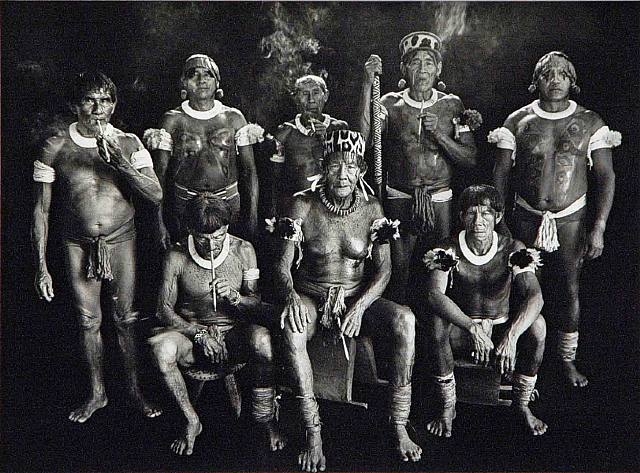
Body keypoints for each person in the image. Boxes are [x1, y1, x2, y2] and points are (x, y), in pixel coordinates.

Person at [273, 130, 422, 472]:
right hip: (312, 294)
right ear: (323, 167)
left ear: (361, 171)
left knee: (406, 320)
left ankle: (399, 424)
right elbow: (281, 265)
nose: (343, 174)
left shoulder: (372, 209)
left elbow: (384, 270)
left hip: (357, 297)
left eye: (351, 166)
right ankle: (313, 431)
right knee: (293, 331)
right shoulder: (302, 205)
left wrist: (361, 306)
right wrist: (291, 296)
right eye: (336, 165)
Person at [32, 71, 163, 423]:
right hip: (77, 243)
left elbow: (154, 195)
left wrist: (120, 162)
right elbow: (42, 210)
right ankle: (97, 394)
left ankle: (135, 391)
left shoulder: (130, 142)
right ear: (76, 105)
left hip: (121, 240)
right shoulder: (56, 146)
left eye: (105, 100)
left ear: (114, 105)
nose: (97, 108)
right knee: (88, 321)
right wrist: (42, 267)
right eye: (89, 100)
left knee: (125, 319)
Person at [491, 51, 619, 387]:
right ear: (537, 81)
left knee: (568, 288)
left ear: (572, 81)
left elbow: (606, 176)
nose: (555, 80)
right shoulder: (517, 121)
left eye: (563, 74)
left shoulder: (590, 122)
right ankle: (513, 356)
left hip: (570, 220)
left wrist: (599, 227)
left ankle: (566, 360)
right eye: (548, 74)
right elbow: (500, 175)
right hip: (524, 217)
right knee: (519, 287)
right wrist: (498, 223)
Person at [148, 195, 285, 455]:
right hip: (192, 336)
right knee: (161, 350)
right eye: (203, 238)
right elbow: (163, 310)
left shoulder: (244, 251)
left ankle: (265, 419)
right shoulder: (176, 255)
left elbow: (255, 302)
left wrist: (236, 298)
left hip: (234, 335)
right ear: (190, 229)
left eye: (219, 236)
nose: (211, 245)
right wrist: (200, 334)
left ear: (227, 228)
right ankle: (191, 420)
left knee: (263, 341)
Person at [414, 185, 547, 438]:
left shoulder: (512, 248)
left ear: (498, 217)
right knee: (437, 323)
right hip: (464, 333)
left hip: (500, 334)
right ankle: (448, 406)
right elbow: (434, 295)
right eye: (471, 213)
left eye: (486, 213)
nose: (478, 221)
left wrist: (511, 337)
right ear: (461, 216)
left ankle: (522, 404)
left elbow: (535, 296)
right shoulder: (448, 248)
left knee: (538, 325)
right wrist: (472, 328)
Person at [358, 31, 478, 303]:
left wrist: (439, 135)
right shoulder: (389, 103)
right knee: (398, 272)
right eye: (415, 62)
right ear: (404, 68)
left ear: (438, 69)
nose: (422, 69)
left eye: (428, 62)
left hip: (439, 198)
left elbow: (469, 158)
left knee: (440, 269)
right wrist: (367, 84)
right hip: (400, 197)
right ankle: (400, 323)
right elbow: (365, 140)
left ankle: (436, 326)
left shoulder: (452, 105)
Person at [144, 53, 260, 246]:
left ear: (217, 82)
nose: (201, 80)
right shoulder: (172, 120)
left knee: (229, 256)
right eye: (193, 74)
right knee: (188, 257)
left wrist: (253, 216)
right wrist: (159, 222)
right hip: (186, 203)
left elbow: (250, 171)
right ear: (184, 82)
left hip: (228, 200)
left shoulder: (234, 118)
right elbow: (160, 175)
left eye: (208, 74)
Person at [269, 75, 348, 214]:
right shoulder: (285, 132)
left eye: (316, 92)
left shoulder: (339, 128)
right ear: (296, 98)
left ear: (326, 96)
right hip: (298, 209)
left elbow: (348, 170)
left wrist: (328, 139)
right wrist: (275, 213)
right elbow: (274, 180)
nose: (311, 99)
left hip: (333, 207)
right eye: (305, 93)